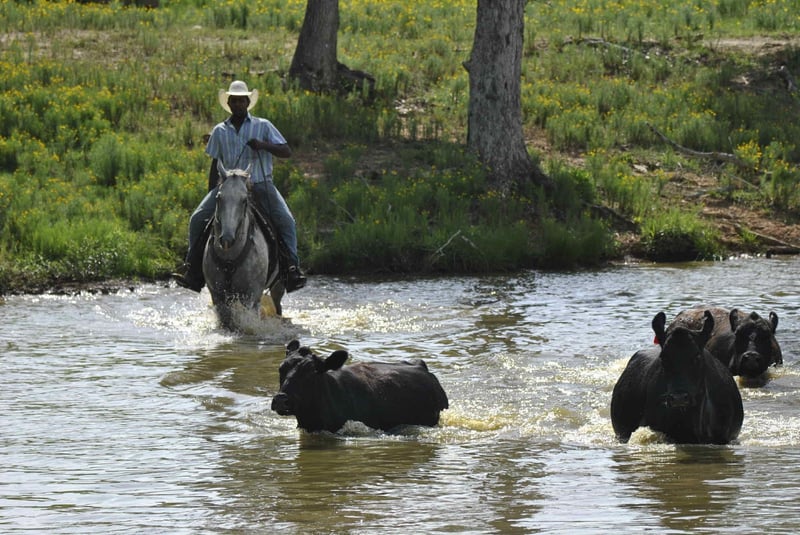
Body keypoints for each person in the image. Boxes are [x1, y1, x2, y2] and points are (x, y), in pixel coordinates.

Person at [172, 80, 306, 293]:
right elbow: (215, 163)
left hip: (260, 184)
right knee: (197, 218)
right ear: (229, 103)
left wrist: (263, 145)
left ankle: (292, 269)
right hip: (227, 188)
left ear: (247, 102)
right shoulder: (219, 131)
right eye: (234, 101)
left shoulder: (263, 125)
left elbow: (286, 151)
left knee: (286, 220)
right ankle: (192, 269)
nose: (238, 104)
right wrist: (212, 192)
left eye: (241, 100)